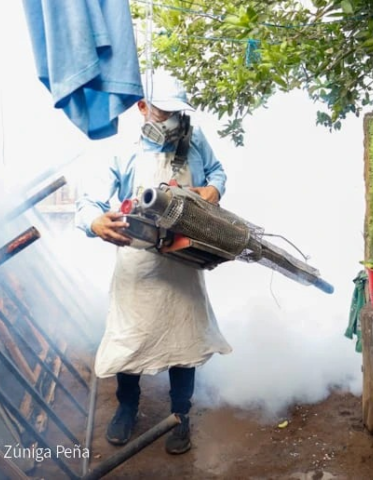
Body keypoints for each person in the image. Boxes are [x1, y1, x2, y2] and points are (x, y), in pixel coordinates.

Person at [75, 70, 232, 454]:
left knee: (184, 340)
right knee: (131, 339)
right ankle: (127, 407)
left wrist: (213, 189)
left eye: (177, 112)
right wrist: (95, 223)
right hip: (139, 262)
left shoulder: (194, 139)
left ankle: (180, 415)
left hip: (183, 258)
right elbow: (89, 202)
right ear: (142, 107)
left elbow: (217, 171)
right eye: (164, 112)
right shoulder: (122, 148)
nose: (172, 120)